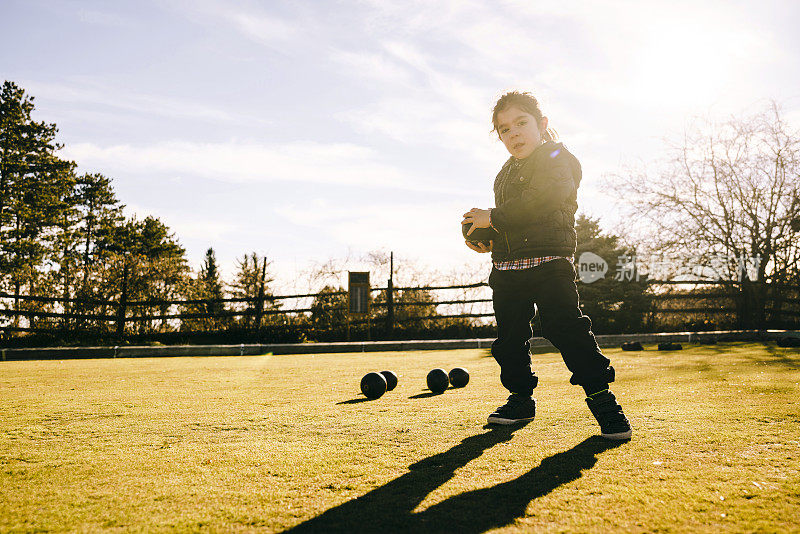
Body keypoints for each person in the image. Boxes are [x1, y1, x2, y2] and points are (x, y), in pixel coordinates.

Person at [462, 91, 631, 440]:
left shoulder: (558, 158)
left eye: (521, 123)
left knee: (566, 328)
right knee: (509, 340)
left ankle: (604, 402)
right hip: (508, 269)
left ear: (542, 124)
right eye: (504, 129)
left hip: (549, 261)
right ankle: (521, 400)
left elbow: (542, 200)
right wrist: (486, 239)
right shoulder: (505, 173)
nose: (514, 134)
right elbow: (512, 222)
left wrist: (492, 216)